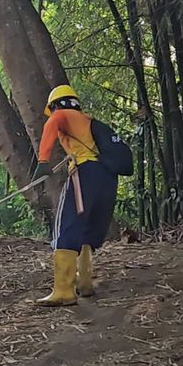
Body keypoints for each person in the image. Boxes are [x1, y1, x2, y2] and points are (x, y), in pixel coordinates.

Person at [36, 85, 117, 306]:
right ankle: (85, 283)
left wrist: (43, 161)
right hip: (106, 176)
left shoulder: (61, 114)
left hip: (84, 172)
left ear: (54, 105)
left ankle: (63, 290)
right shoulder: (87, 119)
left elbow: (52, 123)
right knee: (88, 226)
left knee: (68, 225)